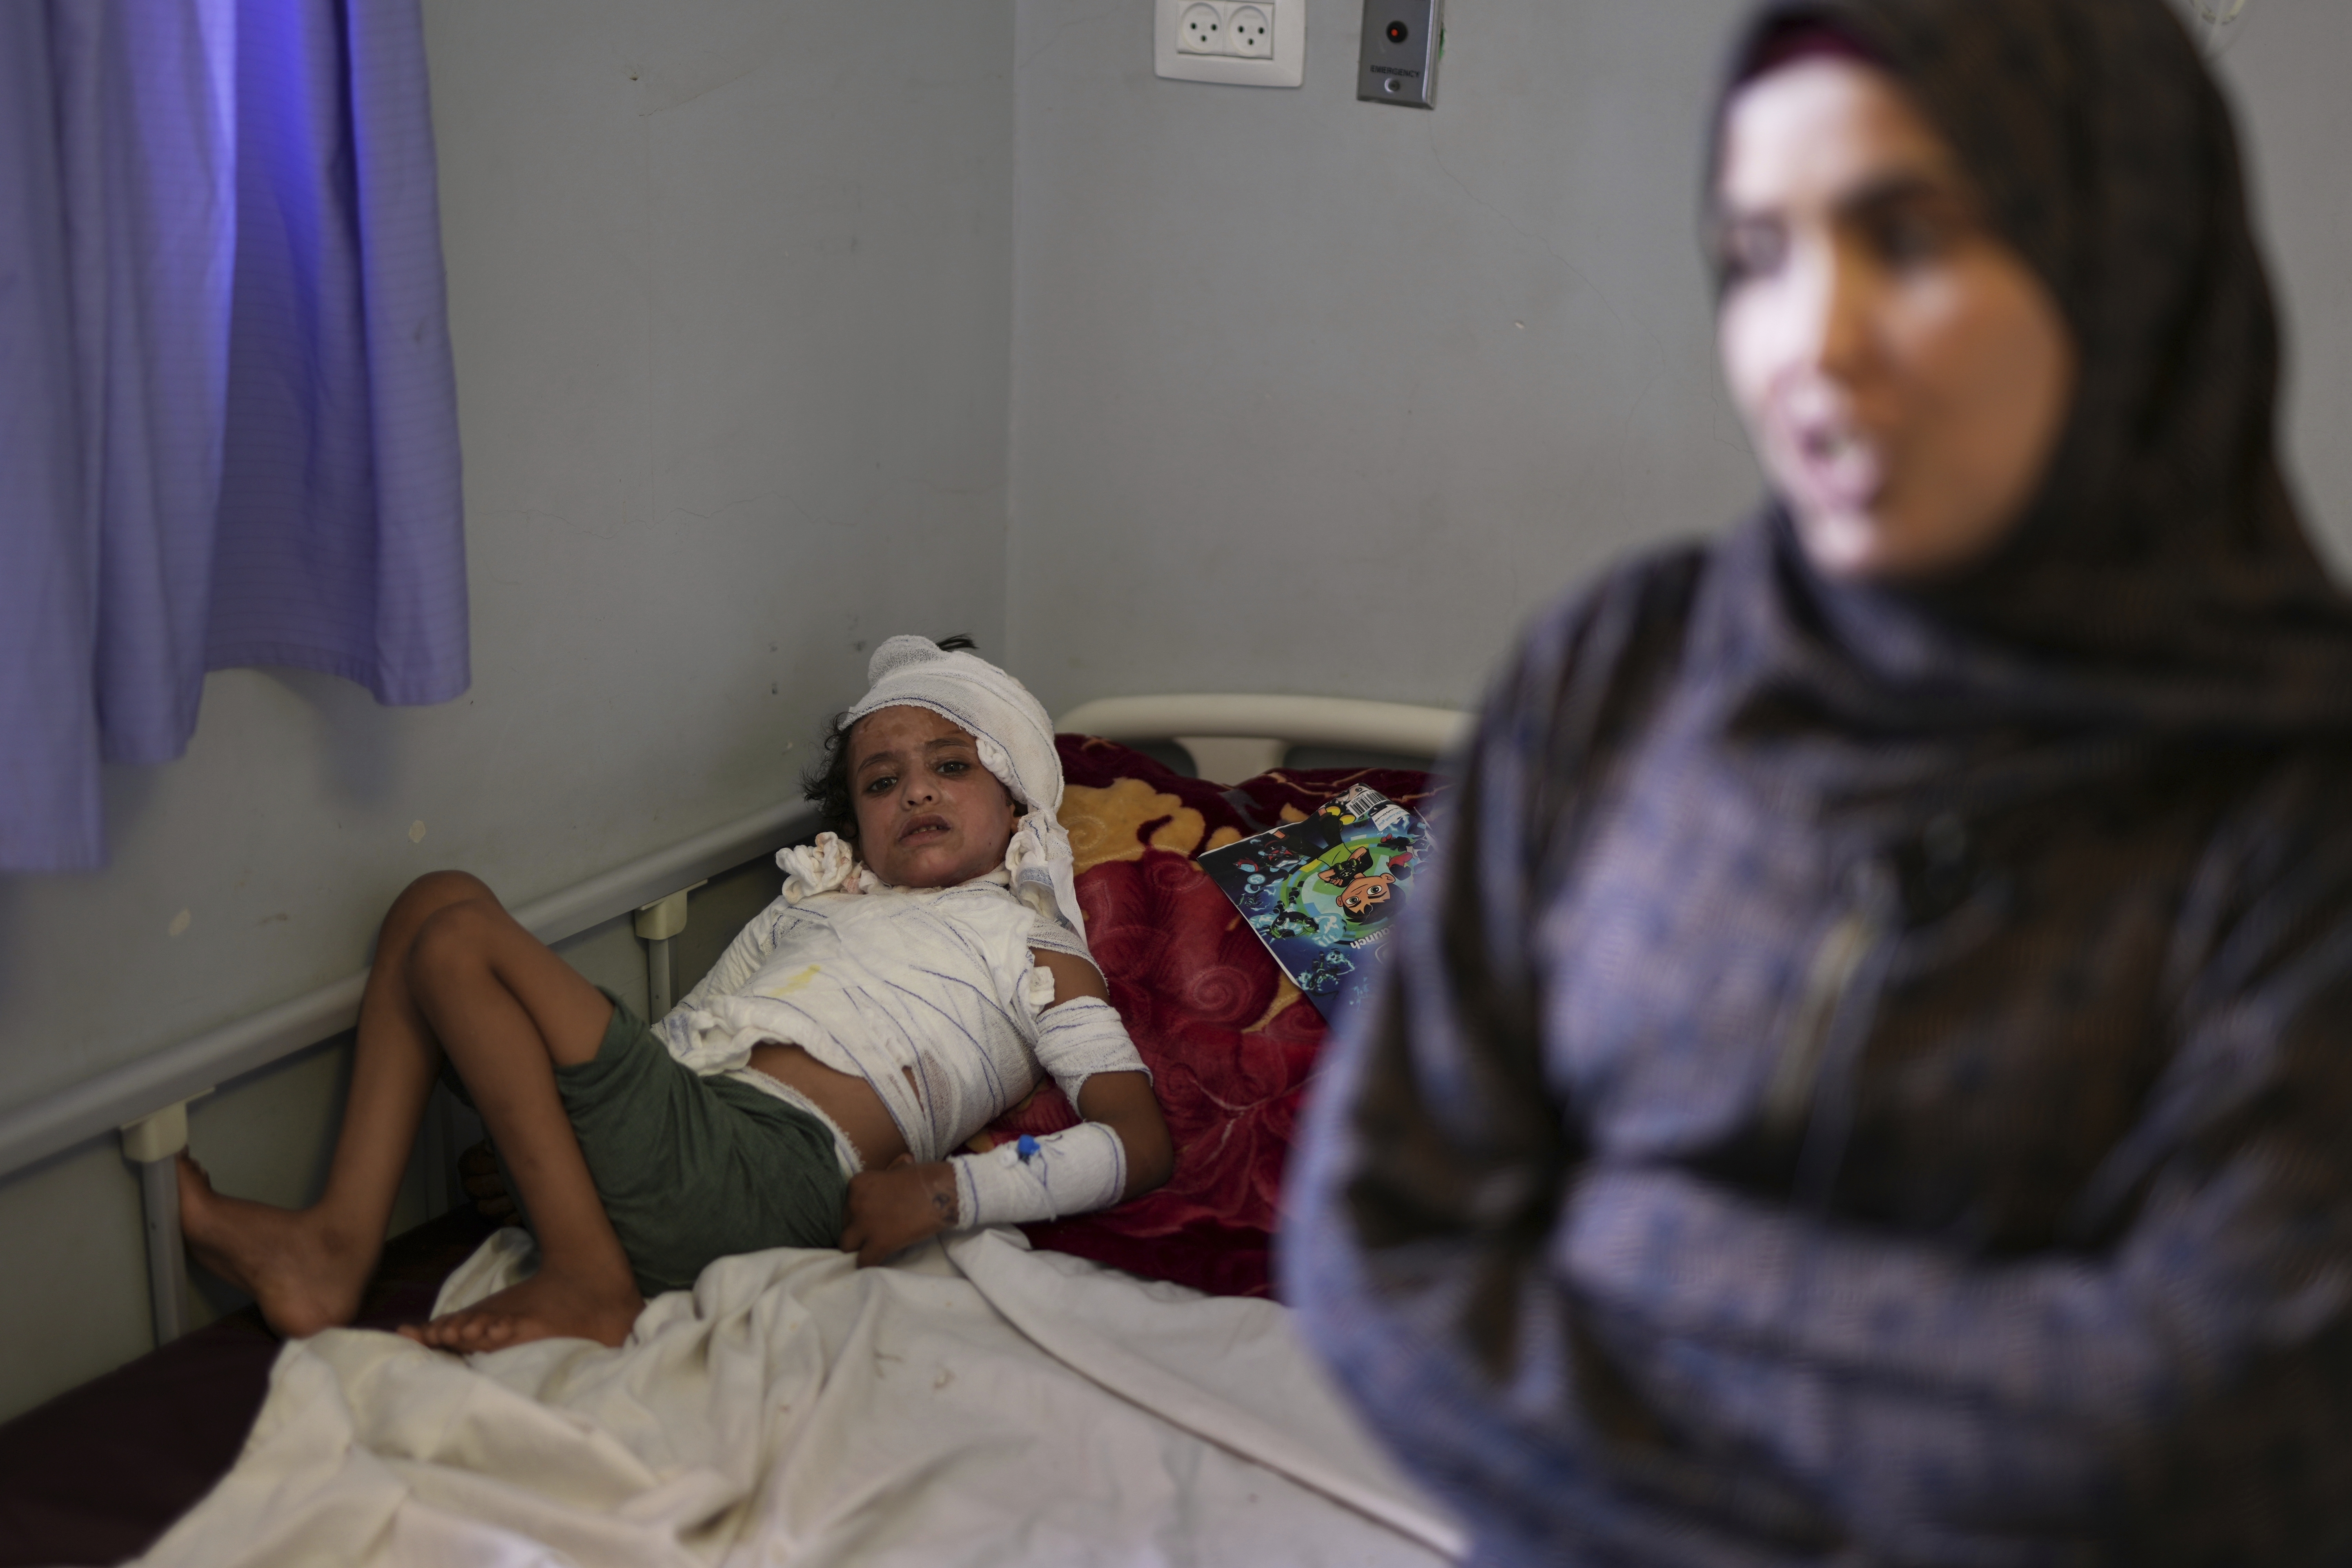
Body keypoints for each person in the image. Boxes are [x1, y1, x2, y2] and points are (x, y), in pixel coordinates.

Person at [1283, 1, 2352, 1562]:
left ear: (2119, 261)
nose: (1812, 340)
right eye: (1757, 254)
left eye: (1908, 237)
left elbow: (2213, 1436)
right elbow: (1372, 1237)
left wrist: (1630, 1245)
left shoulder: (2294, 801)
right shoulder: (1624, 668)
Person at [181, 635, 1173, 1353]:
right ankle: (338, 1242)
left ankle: (586, 1279)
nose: (915, 791)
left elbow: (1138, 1141)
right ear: (858, 822)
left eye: (951, 767)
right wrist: (567, 1140)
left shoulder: (1027, 940)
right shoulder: (815, 905)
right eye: (881, 781)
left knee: (456, 939)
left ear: (1018, 804)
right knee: (430, 903)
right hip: (687, 1134)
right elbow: (686, 1031)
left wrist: (952, 1190)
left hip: (771, 1170)